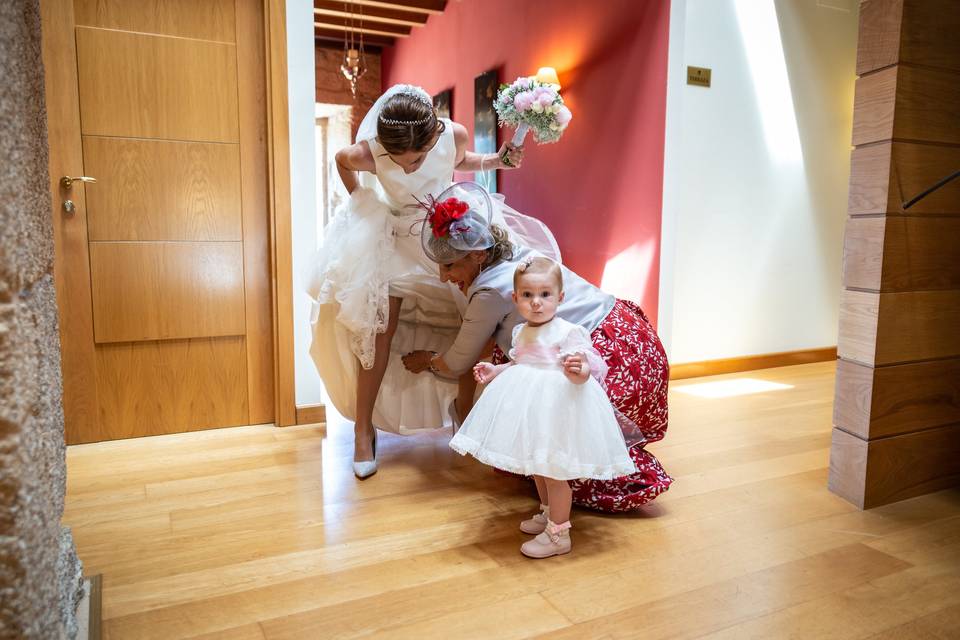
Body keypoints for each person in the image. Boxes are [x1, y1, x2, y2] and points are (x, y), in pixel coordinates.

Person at [307, 85, 554, 479]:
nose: (408, 168)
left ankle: (464, 409)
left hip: (449, 233)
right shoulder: (367, 152)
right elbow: (341, 160)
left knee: (472, 322)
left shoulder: (452, 135)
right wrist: (364, 203)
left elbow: (463, 159)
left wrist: (497, 159)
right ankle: (362, 429)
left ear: (433, 138)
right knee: (377, 332)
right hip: (397, 239)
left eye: (417, 159)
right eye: (399, 162)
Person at [402, 182, 672, 512]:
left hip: (607, 358)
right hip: (633, 338)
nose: (444, 278)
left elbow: (459, 360)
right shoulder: (521, 255)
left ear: (477, 255)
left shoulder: (488, 293)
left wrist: (428, 360)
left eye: (450, 267)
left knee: (562, 455)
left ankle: (569, 509)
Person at [450, 256, 636, 558]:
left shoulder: (568, 331)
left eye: (545, 294)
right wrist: (495, 371)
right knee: (538, 468)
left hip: (557, 409)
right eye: (527, 295)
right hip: (532, 409)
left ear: (560, 297)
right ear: (515, 298)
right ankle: (548, 512)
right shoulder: (520, 331)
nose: (536, 303)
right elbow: (519, 362)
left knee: (554, 471)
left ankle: (558, 534)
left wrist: (581, 370)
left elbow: (585, 369)